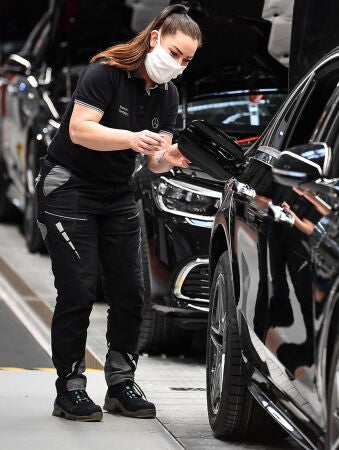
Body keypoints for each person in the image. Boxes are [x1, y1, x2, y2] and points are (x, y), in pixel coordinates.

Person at [38, 5, 201, 422]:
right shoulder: (105, 73)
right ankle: (70, 388)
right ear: (154, 38)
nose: (177, 64)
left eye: (186, 60)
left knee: (131, 293)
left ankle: (121, 383)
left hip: (117, 193)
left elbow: (154, 160)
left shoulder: (167, 94)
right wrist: (131, 138)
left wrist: (170, 157)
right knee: (78, 290)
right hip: (69, 187)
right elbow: (80, 130)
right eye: (174, 53)